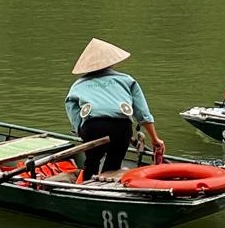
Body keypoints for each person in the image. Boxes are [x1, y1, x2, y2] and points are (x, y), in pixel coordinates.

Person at [65, 38, 165, 182]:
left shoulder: (78, 86)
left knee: (91, 163)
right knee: (113, 165)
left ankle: (85, 188)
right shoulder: (126, 80)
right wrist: (155, 139)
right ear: (111, 62)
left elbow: (73, 112)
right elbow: (143, 113)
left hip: (93, 127)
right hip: (122, 127)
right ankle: (107, 188)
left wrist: (81, 131)